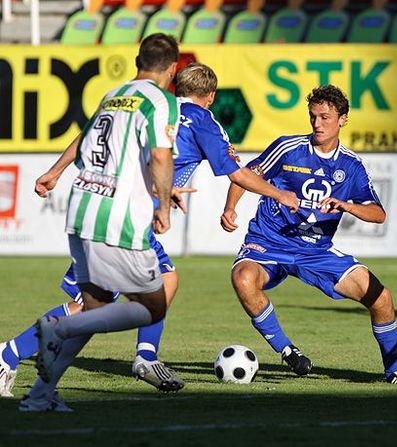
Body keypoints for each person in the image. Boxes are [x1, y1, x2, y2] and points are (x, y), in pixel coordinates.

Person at [3, 60, 299, 407]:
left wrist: (55, 171)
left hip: (101, 205)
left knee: (131, 292)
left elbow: (91, 136)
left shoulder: (148, 104)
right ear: (210, 96)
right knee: (113, 299)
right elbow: (235, 172)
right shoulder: (202, 120)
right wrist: (279, 193)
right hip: (124, 217)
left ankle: (36, 369)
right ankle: (16, 355)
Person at [221, 85, 397, 385]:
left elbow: (378, 214)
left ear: (343, 119)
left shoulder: (351, 166)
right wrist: (230, 208)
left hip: (316, 251)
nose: (317, 123)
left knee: (381, 297)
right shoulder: (288, 148)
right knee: (243, 278)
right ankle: (287, 351)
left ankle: (395, 371)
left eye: (325, 117)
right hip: (269, 242)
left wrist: (347, 205)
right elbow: (245, 175)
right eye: (313, 117)